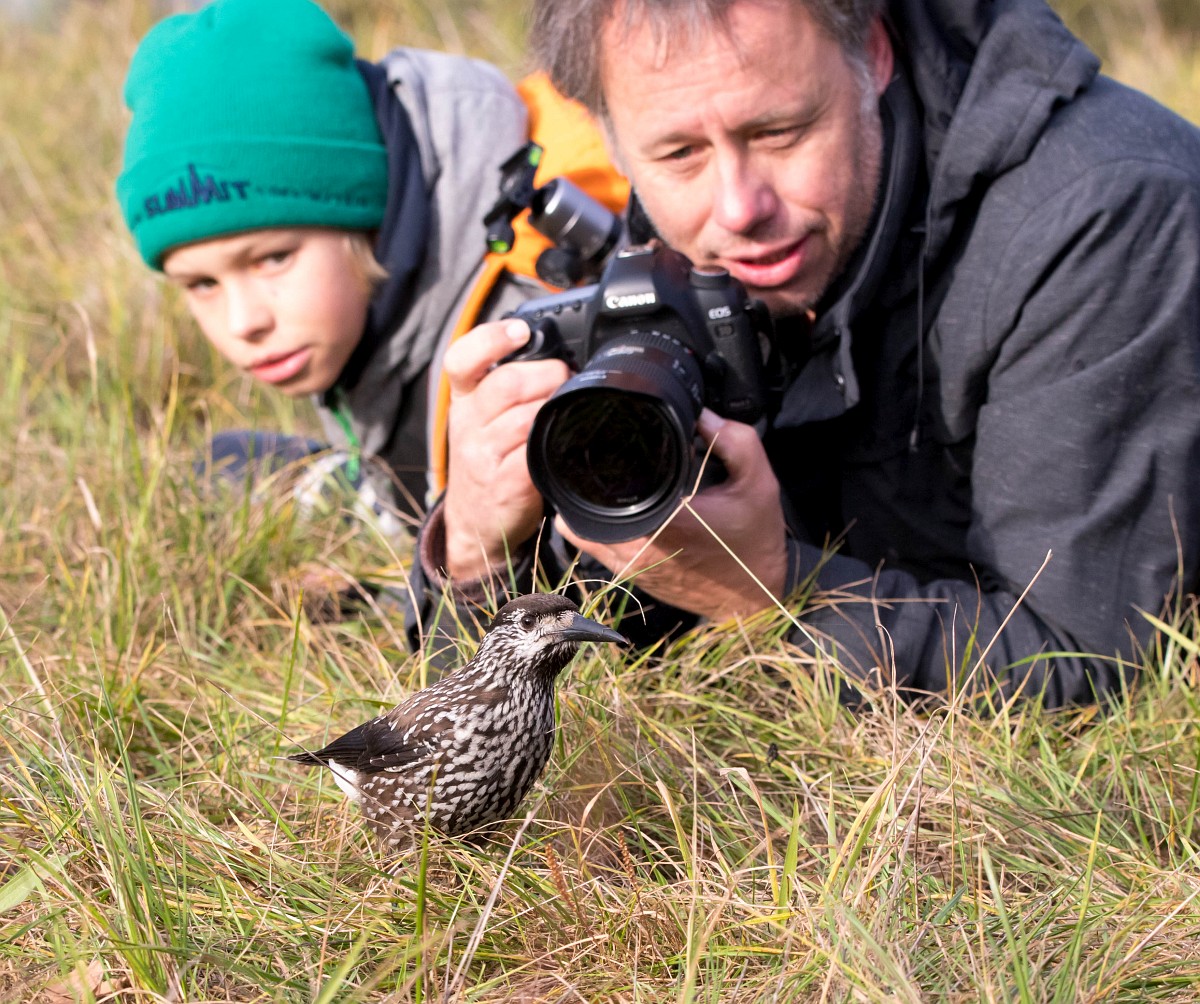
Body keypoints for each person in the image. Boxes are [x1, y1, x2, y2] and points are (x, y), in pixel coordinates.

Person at [405, 0, 1200, 707]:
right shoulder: (676, 247)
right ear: (607, 136)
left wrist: (778, 594)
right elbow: (585, 659)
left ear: (874, 54)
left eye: (778, 132)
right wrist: (477, 555)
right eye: (679, 154)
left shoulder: (1099, 221)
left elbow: (1098, 661)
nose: (738, 208)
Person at [116, 0, 627, 536]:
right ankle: (375, 494)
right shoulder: (363, 309)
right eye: (202, 283)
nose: (244, 322)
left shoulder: (529, 314)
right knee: (222, 461)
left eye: (273, 258)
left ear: (370, 220)